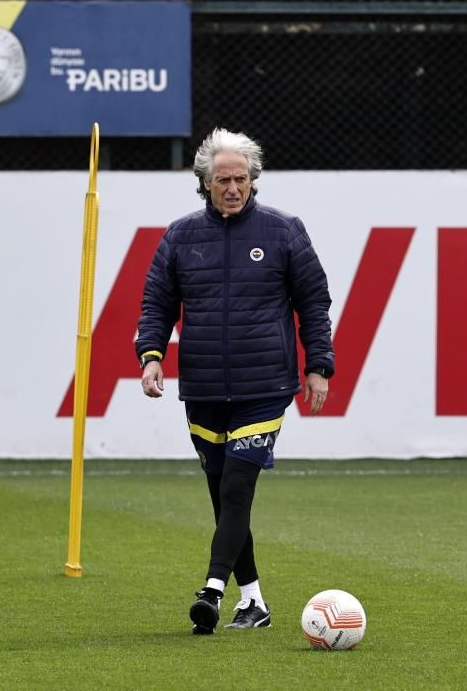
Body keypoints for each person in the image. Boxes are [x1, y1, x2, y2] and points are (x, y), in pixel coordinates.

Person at [136, 128, 334, 635]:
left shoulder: (283, 231)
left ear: (253, 180)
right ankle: (255, 603)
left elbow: (314, 302)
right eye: (222, 179)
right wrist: (151, 356)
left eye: (241, 178)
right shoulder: (180, 236)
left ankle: (212, 590)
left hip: (264, 384)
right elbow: (156, 302)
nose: (232, 187)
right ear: (204, 182)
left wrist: (318, 366)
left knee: (238, 487)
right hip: (202, 386)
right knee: (222, 493)